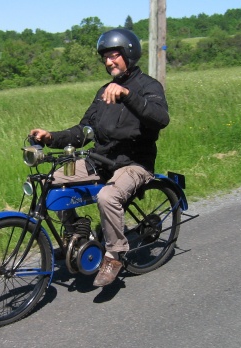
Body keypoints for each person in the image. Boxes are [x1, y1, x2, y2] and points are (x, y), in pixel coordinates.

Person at [30, 28, 170, 287]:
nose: (108, 62)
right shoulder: (103, 92)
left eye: (114, 55)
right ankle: (77, 233)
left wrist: (128, 96)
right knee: (53, 181)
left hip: (134, 164)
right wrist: (51, 137)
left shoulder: (149, 87)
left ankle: (114, 254)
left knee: (108, 196)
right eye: (105, 58)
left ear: (129, 54)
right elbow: (83, 132)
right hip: (101, 161)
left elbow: (161, 119)